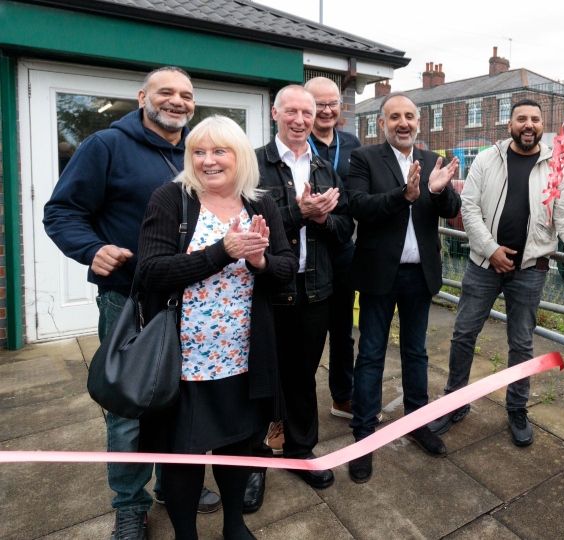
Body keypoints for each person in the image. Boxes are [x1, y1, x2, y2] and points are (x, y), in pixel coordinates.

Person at [42, 66, 220, 540]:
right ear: (143, 96)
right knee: (129, 407)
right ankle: (129, 503)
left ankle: (172, 484)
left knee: (180, 400)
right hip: (130, 300)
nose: (177, 101)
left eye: (186, 94)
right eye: (166, 92)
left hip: (192, 300)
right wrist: (91, 248)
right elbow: (61, 211)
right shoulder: (105, 146)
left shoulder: (197, 153)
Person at [137, 116, 298, 540]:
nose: (208, 161)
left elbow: (286, 268)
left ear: (239, 155)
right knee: (183, 455)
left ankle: (234, 523)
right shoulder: (172, 199)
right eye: (198, 152)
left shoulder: (259, 203)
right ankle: (185, 533)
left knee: (237, 445)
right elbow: (151, 271)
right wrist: (222, 252)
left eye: (219, 151)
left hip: (244, 356)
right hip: (184, 362)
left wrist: (260, 261)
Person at [427, 98, 564, 445]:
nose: (528, 124)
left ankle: (517, 408)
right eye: (521, 118)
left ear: (541, 126)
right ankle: (453, 402)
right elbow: (469, 208)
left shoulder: (557, 166)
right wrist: (490, 250)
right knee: (463, 334)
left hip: (530, 271)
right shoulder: (488, 159)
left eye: (535, 119)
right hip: (483, 266)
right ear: (510, 125)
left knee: (521, 344)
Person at [243, 85, 351, 509]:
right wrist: (298, 215)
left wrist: (323, 219)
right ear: (275, 113)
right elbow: (244, 227)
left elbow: (345, 232)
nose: (302, 120)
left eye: (308, 113)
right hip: (266, 290)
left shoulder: (324, 168)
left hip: (316, 289)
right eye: (293, 111)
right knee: (259, 379)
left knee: (303, 377)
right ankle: (253, 461)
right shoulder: (251, 165)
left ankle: (300, 451)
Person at [344, 92, 461, 483]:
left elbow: (448, 210)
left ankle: (417, 422)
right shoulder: (363, 159)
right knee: (372, 354)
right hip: (379, 273)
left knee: (416, 352)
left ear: (418, 122)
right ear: (382, 124)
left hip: (418, 274)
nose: (403, 123)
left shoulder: (430, 161)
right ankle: (363, 435)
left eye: (409, 116)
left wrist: (440, 190)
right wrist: (404, 195)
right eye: (394, 117)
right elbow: (358, 205)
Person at [305, 76, 361, 421]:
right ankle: (292, 412)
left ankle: (343, 397)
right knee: (303, 338)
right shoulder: (295, 144)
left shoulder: (353, 144)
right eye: (318, 104)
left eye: (332, 104)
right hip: (305, 254)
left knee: (343, 332)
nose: (326, 111)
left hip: (342, 250)